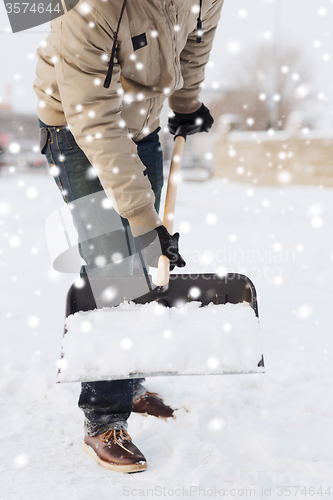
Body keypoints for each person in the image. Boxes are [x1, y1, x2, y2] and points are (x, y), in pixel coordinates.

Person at [34, 0, 223, 473]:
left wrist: (186, 103)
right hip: (78, 129)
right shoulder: (93, 7)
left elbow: (193, 45)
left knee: (139, 261)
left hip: (141, 125)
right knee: (111, 265)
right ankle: (103, 419)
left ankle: (127, 378)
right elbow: (93, 119)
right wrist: (142, 216)